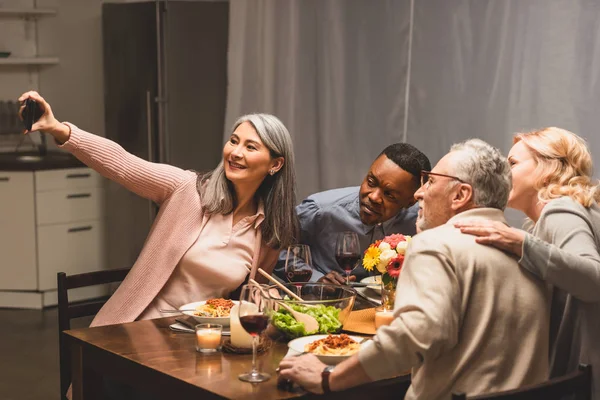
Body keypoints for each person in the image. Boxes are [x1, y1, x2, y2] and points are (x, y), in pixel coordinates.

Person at [278, 139, 550, 400]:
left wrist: (329, 377)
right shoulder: (529, 250)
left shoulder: (434, 245)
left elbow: (408, 341)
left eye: (431, 181)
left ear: (461, 195)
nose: (419, 193)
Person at [19, 91, 299, 326]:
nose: (236, 153)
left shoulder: (268, 232)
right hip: (136, 329)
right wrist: (59, 129)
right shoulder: (188, 189)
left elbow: (251, 295)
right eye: (234, 141)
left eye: (251, 147)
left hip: (201, 342)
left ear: (275, 164)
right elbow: (123, 164)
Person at [454, 127, 600, 399]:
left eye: (513, 163)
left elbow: (593, 279)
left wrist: (521, 243)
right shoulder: (574, 208)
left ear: (548, 167)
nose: (504, 173)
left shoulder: (560, 210)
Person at [274, 143, 431, 284]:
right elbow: (273, 249)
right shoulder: (321, 210)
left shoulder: (420, 222)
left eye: (389, 195)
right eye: (371, 182)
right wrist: (315, 279)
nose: (374, 197)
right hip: (324, 306)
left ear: (410, 201)